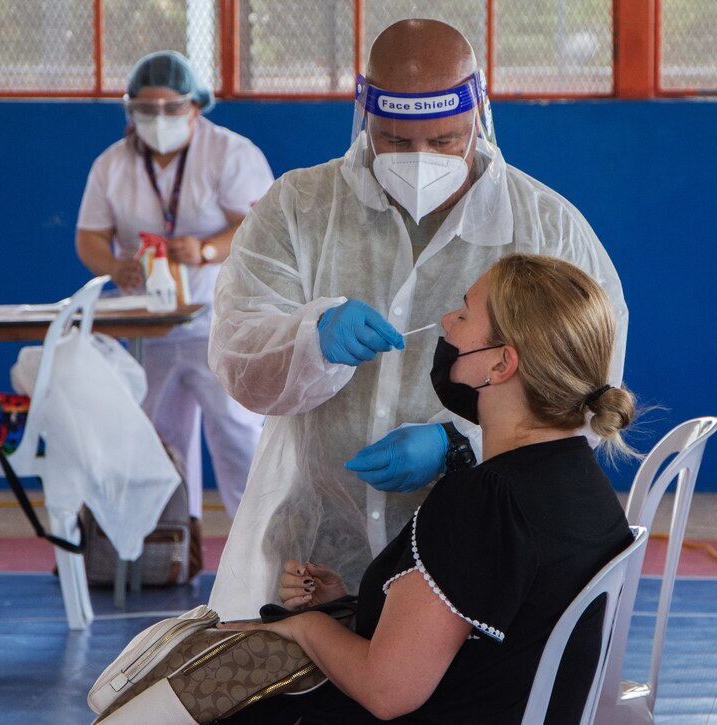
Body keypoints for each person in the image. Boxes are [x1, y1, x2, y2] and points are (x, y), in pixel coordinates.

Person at [208, 19, 628, 618]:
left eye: (446, 140)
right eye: (398, 142)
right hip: (318, 553)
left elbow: (586, 388)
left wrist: (460, 442)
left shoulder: (545, 228)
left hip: (476, 555)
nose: (421, 160)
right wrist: (310, 337)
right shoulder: (300, 209)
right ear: (364, 114)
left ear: (480, 113)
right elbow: (238, 355)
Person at [218, 254, 636, 724]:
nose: (446, 322)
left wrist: (304, 625)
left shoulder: (483, 501)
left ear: (500, 364)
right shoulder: (581, 481)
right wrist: (355, 613)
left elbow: (387, 690)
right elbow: (488, 633)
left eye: (463, 313)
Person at [76, 51, 273, 521]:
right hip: (149, 328)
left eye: (171, 108)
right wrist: (116, 266)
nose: (158, 119)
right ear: (130, 110)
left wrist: (205, 249)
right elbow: (89, 236)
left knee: (238, 434)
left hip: (220, 323)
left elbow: (259, 227)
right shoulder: (113, 164)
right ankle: (167, 546)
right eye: (146, 109)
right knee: (156, 439)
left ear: (196, 106)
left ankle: (261, 550)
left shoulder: (228, 153)